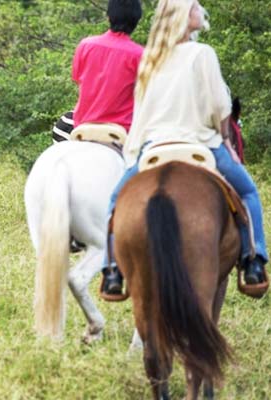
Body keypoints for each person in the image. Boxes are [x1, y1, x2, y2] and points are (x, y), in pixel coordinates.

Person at [101, 0, 268, 297]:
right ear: (182, 16)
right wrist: (226, 141)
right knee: (247, 192)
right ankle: (253, 261)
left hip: (154, 145)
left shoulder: (151, 58)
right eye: (194, 7)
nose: (199, 10)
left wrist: (135, 150)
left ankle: (112, 269)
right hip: (199, 142)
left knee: (116, 199)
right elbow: (220, 106)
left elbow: (142, 109)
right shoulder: (203, 53)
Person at [71, 0, 144, 132]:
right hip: (121, 131)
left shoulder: (85, 45)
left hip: (82, 127)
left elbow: (77, 80)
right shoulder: (140, 55)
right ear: (137, 20)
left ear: (108, 16)